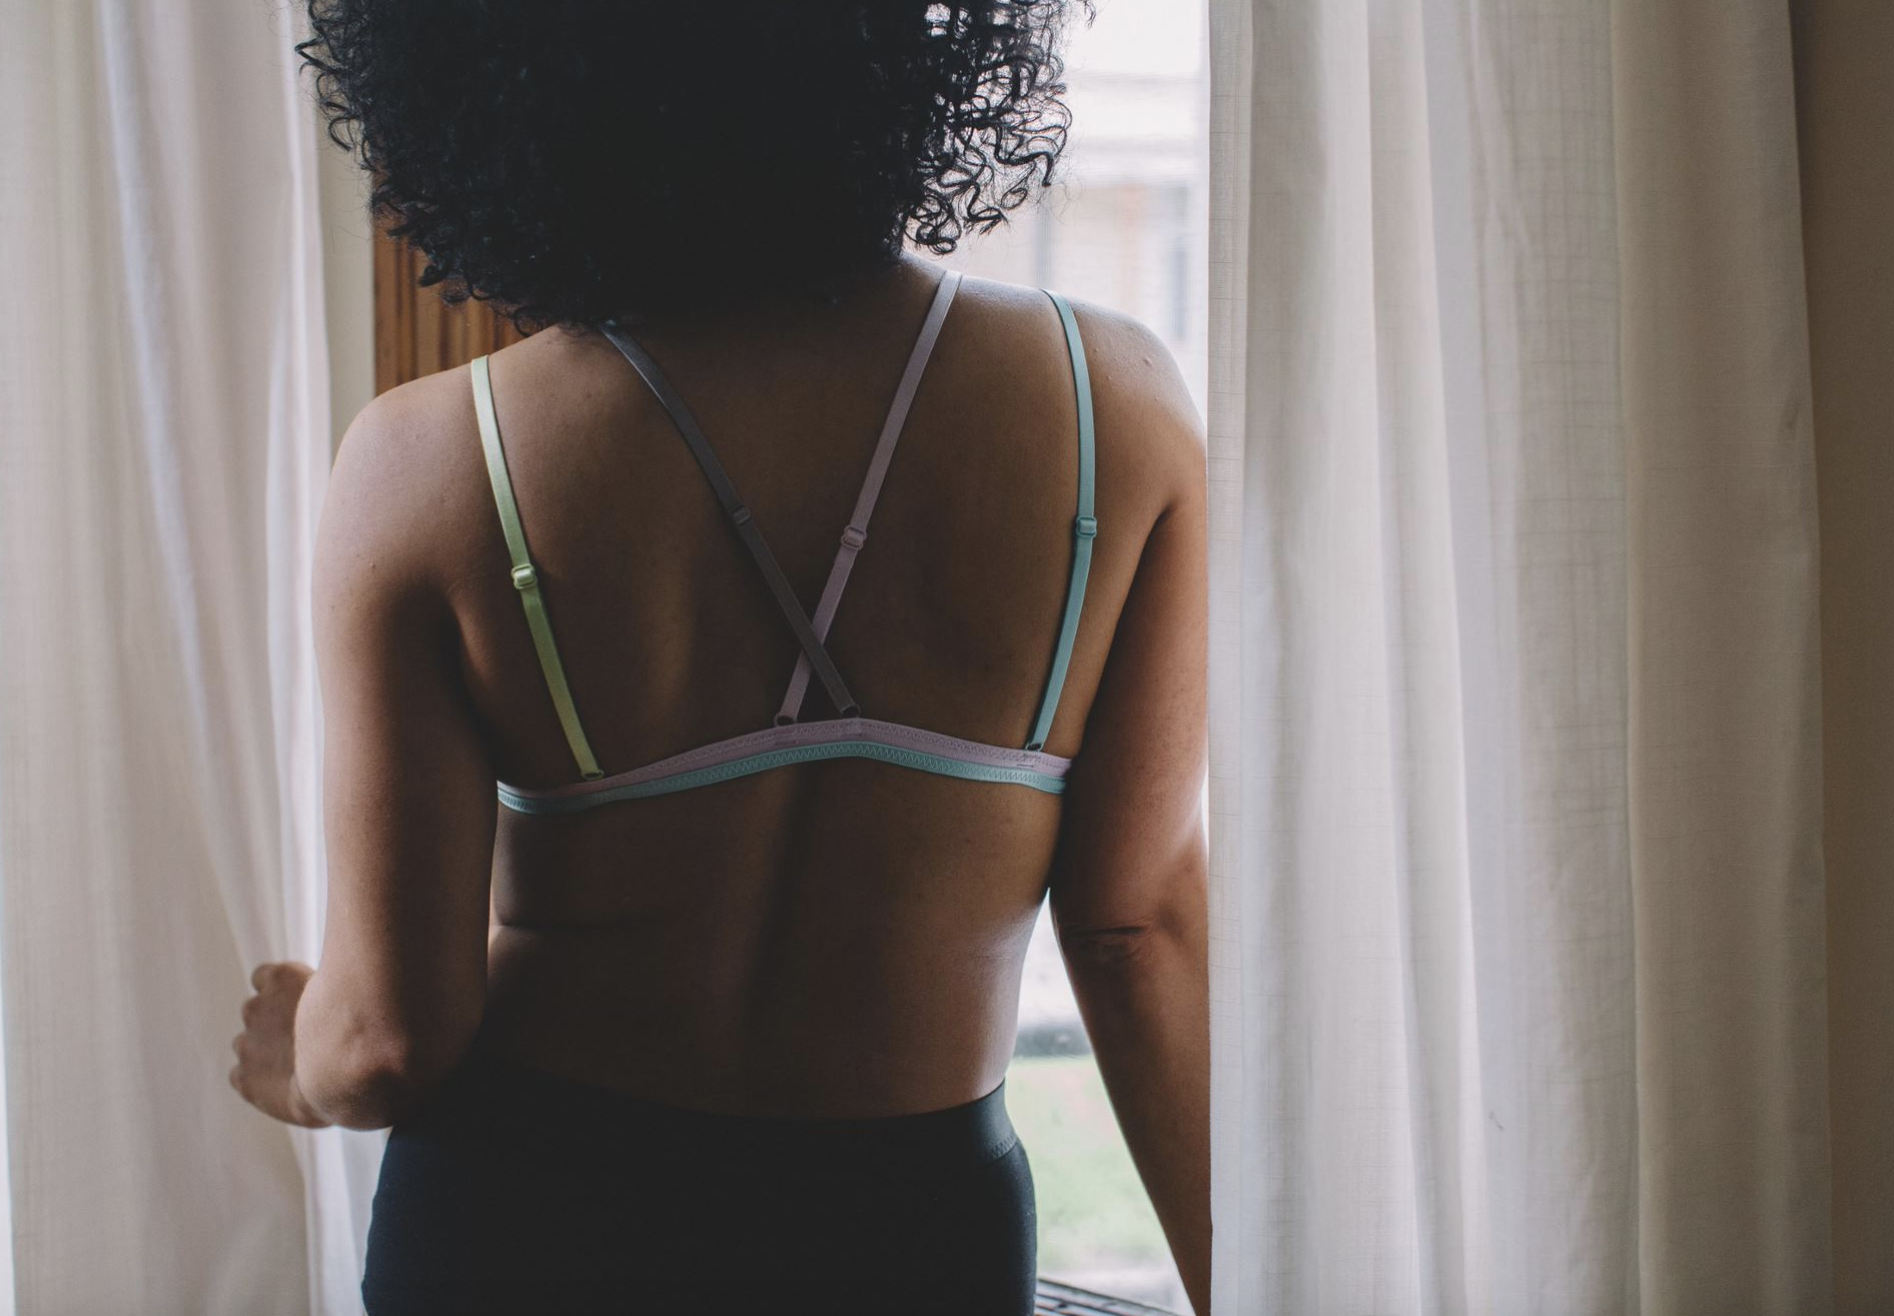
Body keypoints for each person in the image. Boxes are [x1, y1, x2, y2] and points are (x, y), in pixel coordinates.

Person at [230, 3, 1209, 1313]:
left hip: (530, 1222)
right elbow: (1136, 928)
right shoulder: (1118, 406)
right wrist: (1237, 1271)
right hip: (912, 1228)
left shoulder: (432, 463)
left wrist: (300, 1061)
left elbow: (388, 1042)